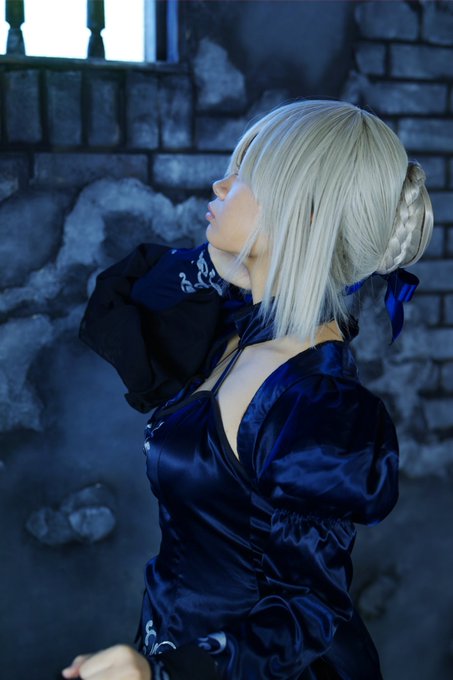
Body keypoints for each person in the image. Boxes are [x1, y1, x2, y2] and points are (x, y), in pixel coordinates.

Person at [61, 100, 433, 680]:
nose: (219, 184)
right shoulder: (231, 327)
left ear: (302, 214)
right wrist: (223, 265)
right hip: (166, 643)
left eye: (243, 176)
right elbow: (122, 299)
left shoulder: (319, 407)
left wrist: (166, 673)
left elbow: (309, 614)